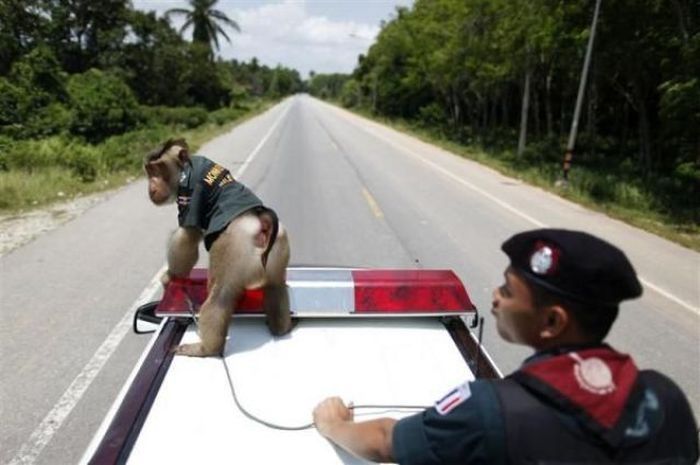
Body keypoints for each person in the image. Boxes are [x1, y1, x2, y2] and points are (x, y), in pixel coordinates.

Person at [313, 228, 699, 464]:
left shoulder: (490, 411)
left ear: (552, 322)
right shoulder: (666, 399)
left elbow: (384, 443)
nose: (494, 297)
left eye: (508, 290)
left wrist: (334, 425)